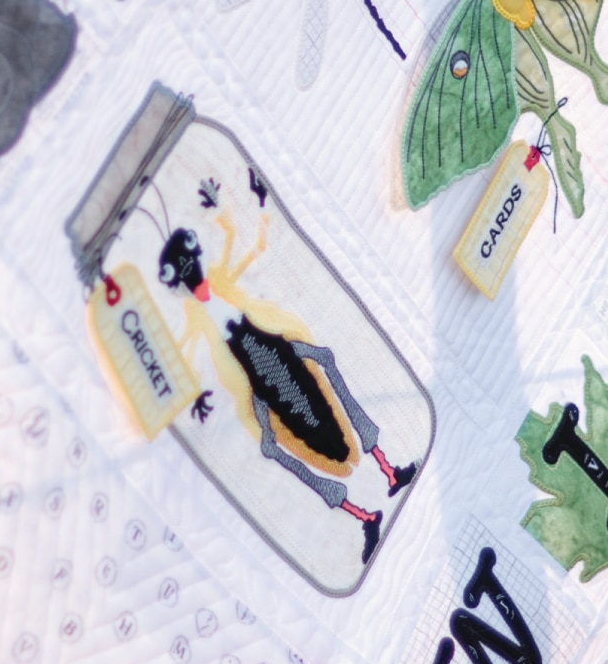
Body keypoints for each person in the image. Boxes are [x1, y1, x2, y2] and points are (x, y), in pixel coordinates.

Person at [156, 202, 414, 563]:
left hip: (271, 353)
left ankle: (387, 472)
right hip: (261, 375)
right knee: (271, 445)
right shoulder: (196, 312)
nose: (192, 275)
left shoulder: (219, 280)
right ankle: (365, 515)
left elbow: (243, 245)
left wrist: (227, 211)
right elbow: (187, 347)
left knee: (321, 363)